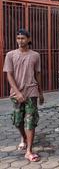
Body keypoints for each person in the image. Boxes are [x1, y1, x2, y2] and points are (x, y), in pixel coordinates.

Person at [3, 29, 44, 162]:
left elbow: (37, 75)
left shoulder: (35, 55)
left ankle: (29, 151)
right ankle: (23, 137)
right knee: (18, 121)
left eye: (23, 38)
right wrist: (18, 92)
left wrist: (41, 93)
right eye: (18, 38)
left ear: (29, 39)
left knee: (30, 121)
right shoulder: (10, 55)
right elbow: (9, 75)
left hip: (31, 92)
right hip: (16, 93)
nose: (20, 41)